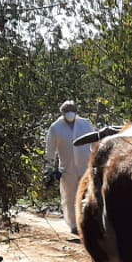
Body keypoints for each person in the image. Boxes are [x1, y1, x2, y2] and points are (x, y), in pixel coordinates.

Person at [45, 100, 95, 235]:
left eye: (72, 110)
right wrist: (49, 168)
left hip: (85, 165)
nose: (70, 113)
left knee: (88, 194)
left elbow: (94, 143)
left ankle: (87, 222)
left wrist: (97, 160)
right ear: (62, 112)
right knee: (69, 196)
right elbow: (50, 149)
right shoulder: (56, 128)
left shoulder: (85, 124)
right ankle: (74, 224)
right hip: (67, 168)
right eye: (67, 111)